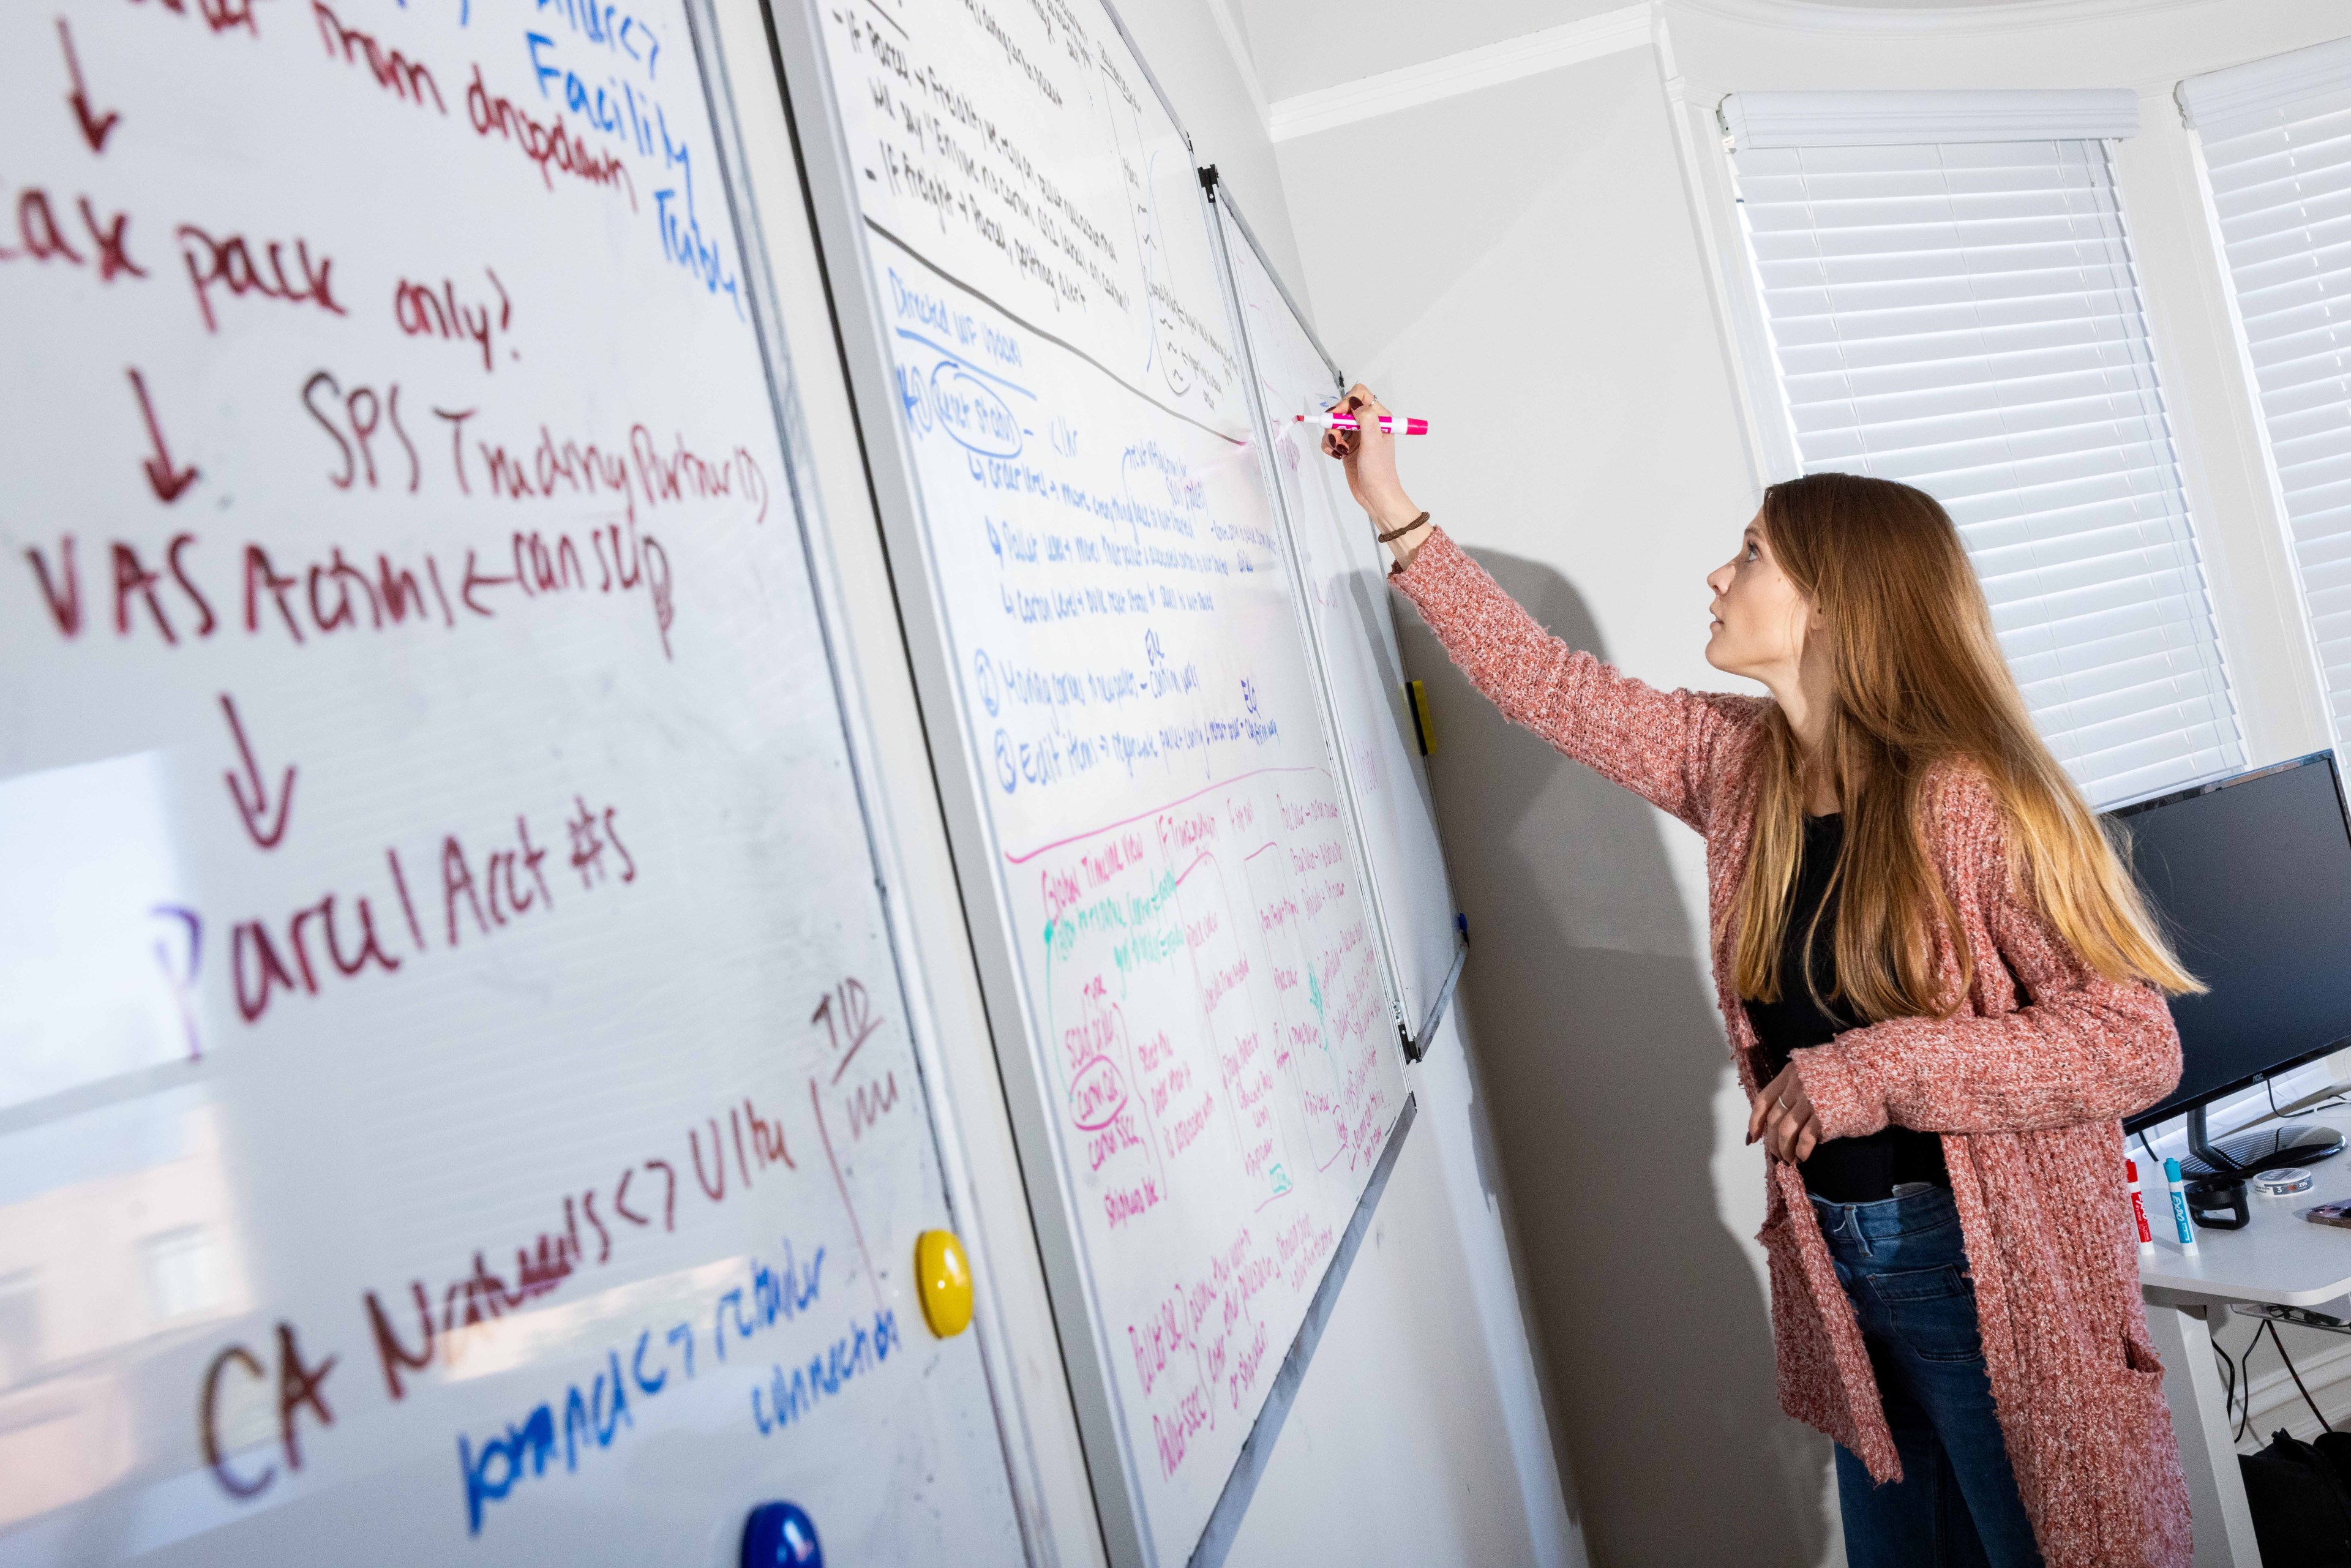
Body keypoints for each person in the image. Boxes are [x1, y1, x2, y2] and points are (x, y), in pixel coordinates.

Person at [1323, 386, 2198, 1568]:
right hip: (1845, 1281)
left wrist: (1875, 1068)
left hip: (1992, 1288)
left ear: (1834, 603)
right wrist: (1393, 511)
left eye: (1750, 555)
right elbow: (1551, 686)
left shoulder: (1973, 798)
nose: (1717, 576)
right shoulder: (1742, 766)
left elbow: (2134, 1040)